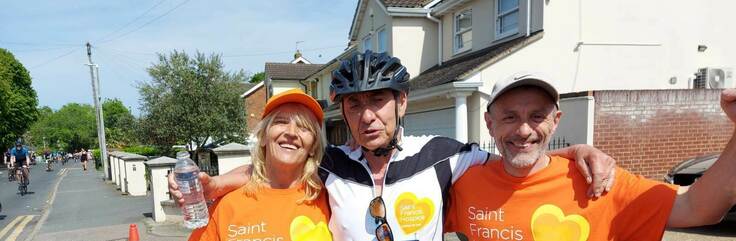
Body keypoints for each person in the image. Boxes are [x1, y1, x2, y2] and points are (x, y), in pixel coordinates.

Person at [171, 51, 616, 241]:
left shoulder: (443, 154)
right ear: (343, 113)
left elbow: (517, 157)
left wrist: (576, 152)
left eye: (379, 101)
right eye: (356, 105)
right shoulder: (331, 163)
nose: (368, 116)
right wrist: (213, 183)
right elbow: (272, 169)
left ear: (401, 102)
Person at [444, 72, 736, 240]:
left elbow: (699, 208)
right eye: (509, 117)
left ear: (555, 121)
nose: (524, 130)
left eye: (537, 116)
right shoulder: (464, 181)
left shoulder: (598, 181)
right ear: (489, 123)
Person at [188, 89, 332, 241]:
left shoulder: (331, 199)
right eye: (281, 122)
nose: (291, 132)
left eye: (304, 127)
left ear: (313, 146)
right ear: (263, 137)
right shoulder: (227, 205)